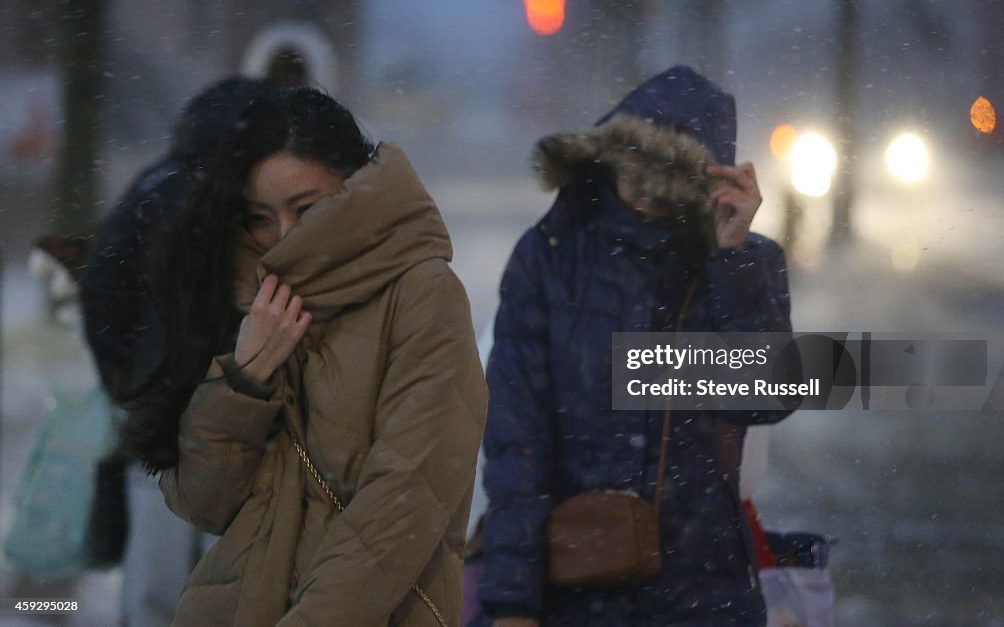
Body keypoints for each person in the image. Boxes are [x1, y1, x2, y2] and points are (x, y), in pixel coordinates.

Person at [121, 87, 487, 626]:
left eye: (306, 208)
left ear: (354, 189)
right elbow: (203, 504)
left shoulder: (422, 294)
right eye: (260, 218)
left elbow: (405, 501)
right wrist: (244, 381)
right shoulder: (243, 293)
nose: (284, 238)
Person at [473, 66, 793, 626]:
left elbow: (765, 397)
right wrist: (512, 602)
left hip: (702, 591)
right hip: (571, 589)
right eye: (634, 172)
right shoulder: (550, 256)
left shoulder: (744, 260)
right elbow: (516, 444)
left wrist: (731, 254)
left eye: (666, 181)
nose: (645, 194)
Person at [79, 75, 277, 626]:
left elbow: (100, 289)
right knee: (223, 568)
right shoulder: (258, 200)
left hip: (157, 407)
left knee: (155, 576)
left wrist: (127, 374)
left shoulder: (154, 185)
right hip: (238, 406)